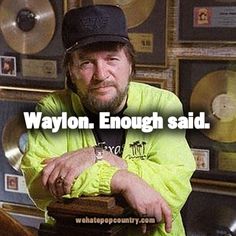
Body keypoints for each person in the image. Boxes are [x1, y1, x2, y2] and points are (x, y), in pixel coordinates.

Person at [21, 5, 196, 235]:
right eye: (86, 63)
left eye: (111, 59)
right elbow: (41, 183)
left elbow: (174, 187)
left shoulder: (162, 105)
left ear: (130, 64)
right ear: (71, 71)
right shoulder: (52, 111)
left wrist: (99, 157)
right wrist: (122, 180)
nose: (101, 75)